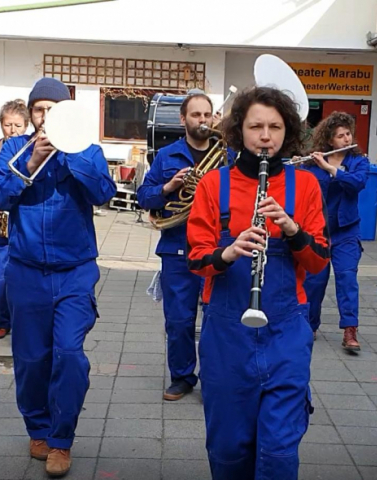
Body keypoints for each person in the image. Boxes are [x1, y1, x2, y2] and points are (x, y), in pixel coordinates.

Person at [187, 86, 331, 480]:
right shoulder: (212, 185)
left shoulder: (306, 186)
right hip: (227, 331)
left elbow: (318, 262)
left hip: (286, 330)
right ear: (239, 131)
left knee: (280, 450)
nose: (265, 136)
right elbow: (196, 260)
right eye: (256, 127)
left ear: (288, 132)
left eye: (275, 126)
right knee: (229, 447)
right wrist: (229, 252)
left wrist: (292, 229)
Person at [0, 77, 116, 477]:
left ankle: (61, 440)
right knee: (31, 360)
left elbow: (104, 193)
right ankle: (38, 428)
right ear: (30, 113)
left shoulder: (88, 148)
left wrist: (69, 155)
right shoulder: (14, 148)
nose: (45, 116)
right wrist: (30, 164)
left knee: (68, 355)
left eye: (53, 109)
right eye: (38, 109)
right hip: (26, 271)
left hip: (75, 271)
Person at [137, 91, 235, 401]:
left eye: (207, 115)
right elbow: (145, 197)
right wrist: (170, 187)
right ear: (183, 120)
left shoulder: (227, 155)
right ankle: (181, 377)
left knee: (216, 318)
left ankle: (214, 378)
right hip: (177, 248)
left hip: (216, 246)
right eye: (196, 115)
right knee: (178, 320)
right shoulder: (167, 156)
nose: (203, 120)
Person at [302, 112, 369, 350]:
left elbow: (357, 183)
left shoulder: (359, 162)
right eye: (340, 135)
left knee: (347, 278)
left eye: (348, 134)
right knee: (314, 281)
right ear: (330, 140)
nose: (345, 138)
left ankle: (350, 330)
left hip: (346, 231)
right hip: (319, 230)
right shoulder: (312, 164)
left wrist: (331, 169)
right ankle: (309, 325)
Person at [0, 99, 29, 339]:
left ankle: (9, 318)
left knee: (9, 274)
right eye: (8, 125)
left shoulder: (29, 149)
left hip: (19, 221)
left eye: (18, 125)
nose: (13, 130)